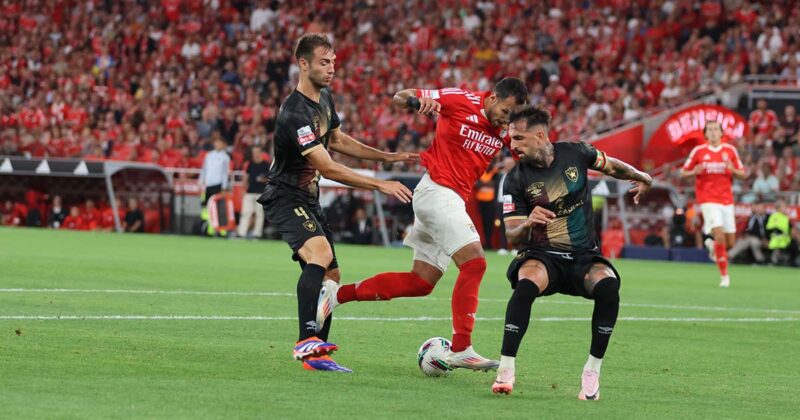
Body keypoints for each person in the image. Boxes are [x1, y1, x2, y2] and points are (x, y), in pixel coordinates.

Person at [320, 77, 530, 371]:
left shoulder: (505, 129)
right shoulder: (459, 100)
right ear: (493, 98)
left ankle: (337, 294)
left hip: (449, 199)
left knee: (421, 281)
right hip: (437, 192)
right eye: (505, 112)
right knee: (475, 264)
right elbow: (399, 95)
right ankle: (461, 348)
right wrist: (418, 102)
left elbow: (526, 149)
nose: (506, 120)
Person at [257, 34, 416, 373]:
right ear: (304, 64)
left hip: (308, 198)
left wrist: (384, 157)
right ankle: (306, 341)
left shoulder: (324, 99)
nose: (331, 69)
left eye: (333, 62)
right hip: (285, 195)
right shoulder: (294, 113)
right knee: (321, 255)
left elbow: (338, 139)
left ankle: (318, 358)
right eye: (323, 62)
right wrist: (379, 183)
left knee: (331, 274)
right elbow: (327, 166)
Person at [490, 105, 652, 398]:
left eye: (519, 139)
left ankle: (592, 371)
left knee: (609, 287)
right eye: (510, 139)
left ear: (540, 136)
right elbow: (512, 237)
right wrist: (527, 222)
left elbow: (613, 165)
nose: (512, 146)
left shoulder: (576, 153)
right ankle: (506, 368)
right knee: (526, 284)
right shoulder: (515, 178)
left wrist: (643, 177)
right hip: (543, 256)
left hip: (583, 257)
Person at [679, 121, 747, 287]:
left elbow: (742, 174)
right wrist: (693, 172)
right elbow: (682, 172)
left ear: (721, 133)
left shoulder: (730, 151)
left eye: (716, 129)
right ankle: (724, 277)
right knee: (719, 235)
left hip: (727, 200)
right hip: (708, 200)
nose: (713, 132)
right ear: (706, 134)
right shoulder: (699, 151)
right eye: (710, 129)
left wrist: (733, 169)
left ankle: (712, 247)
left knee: (729, 242)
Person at [237, 145, 270, 239]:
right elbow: (246, 177)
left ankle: (257, 234)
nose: (255, 154)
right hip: (249, 192)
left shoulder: (265, 164)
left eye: (257, 152)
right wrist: (243, 189)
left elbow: (270, 179)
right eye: (254, 152)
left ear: (261, 153)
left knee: (259, 214)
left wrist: (262, 180)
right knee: (245, 213)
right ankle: (241, 233)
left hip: (261, 192)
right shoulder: (250, 164)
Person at [200, 137, 231, 234]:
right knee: (207, 207)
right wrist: (201, 182)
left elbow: (225, 173)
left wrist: (224, 186)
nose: (218, 145)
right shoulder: (208, 155)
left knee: (219, 208)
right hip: (208, 185)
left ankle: (222, 230)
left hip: (218, 185)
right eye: (216, 143)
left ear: (223, 145)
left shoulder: (225, 157)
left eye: (220, 143)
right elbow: (204, 170)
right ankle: (209, 229)